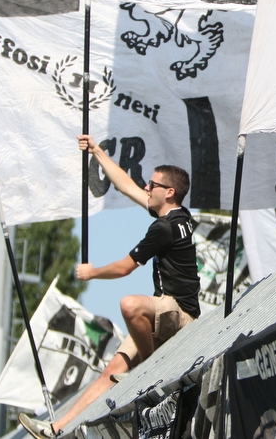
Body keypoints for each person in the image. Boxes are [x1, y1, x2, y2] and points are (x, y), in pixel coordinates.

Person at [19, 134, 201, 438]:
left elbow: (125, 267)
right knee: (109, 372)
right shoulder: (179, 215)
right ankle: (56, 429)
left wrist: (92, 273)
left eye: (153, 185)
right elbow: (125, 185)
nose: (146, 187)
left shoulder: (164, 227)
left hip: (179, 313)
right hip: (162, 313)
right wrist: (97, 152)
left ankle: (149, 368)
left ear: (169, 192)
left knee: (130, 305)